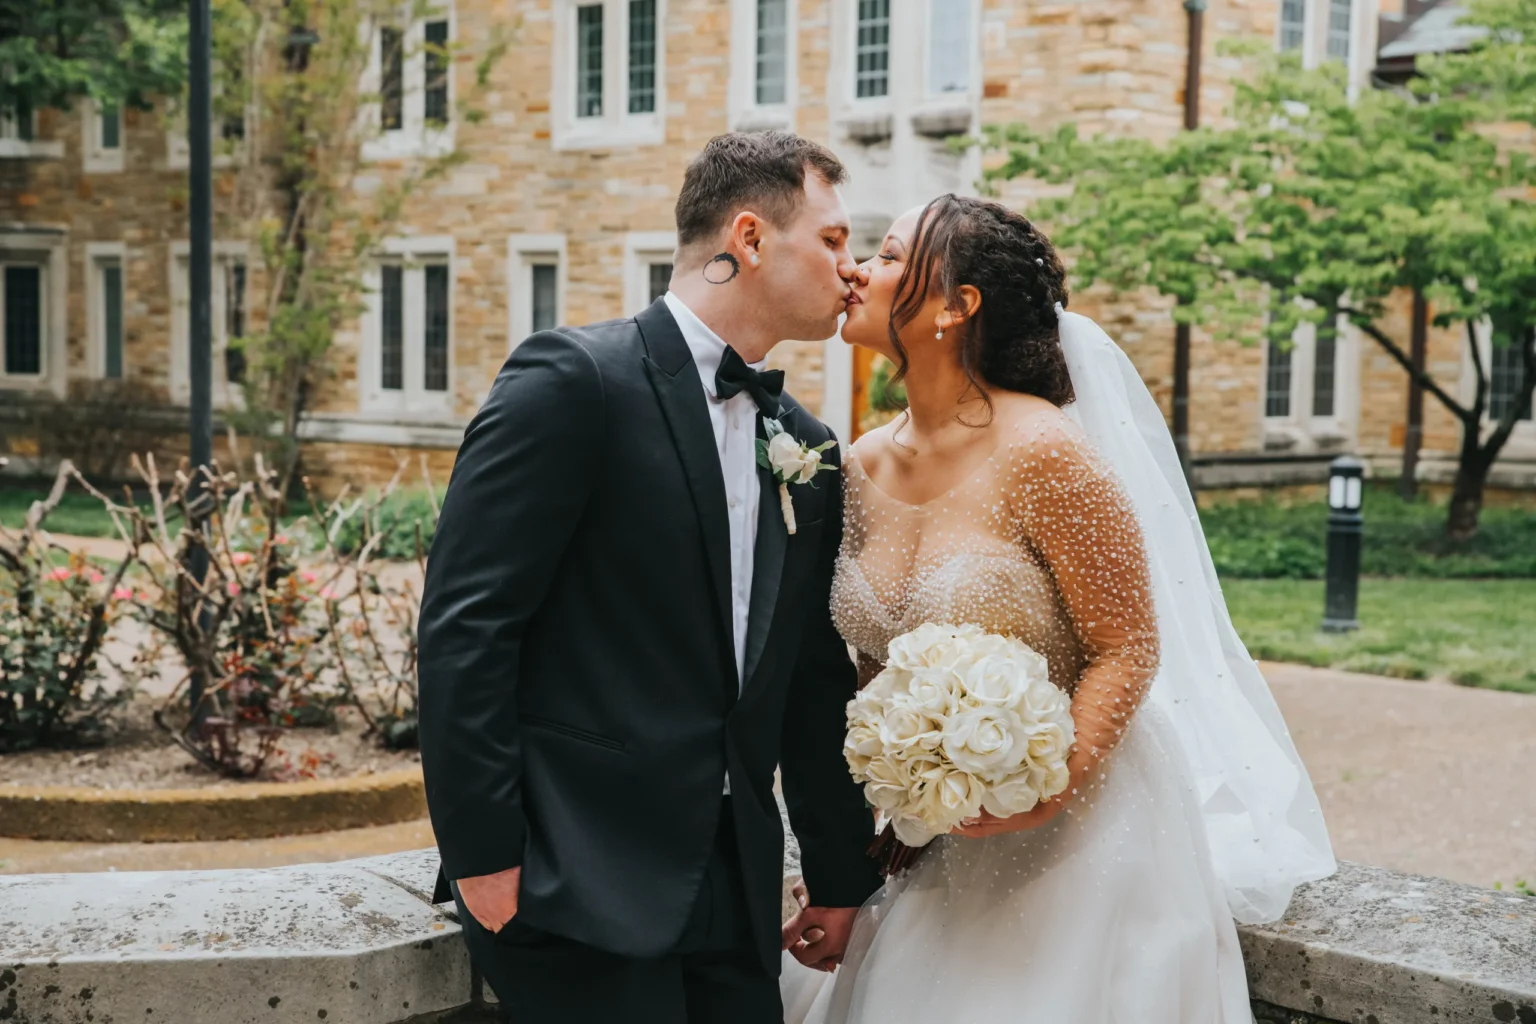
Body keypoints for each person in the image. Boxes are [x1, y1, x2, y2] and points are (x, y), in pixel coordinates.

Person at [779, 195, 1336, 1022]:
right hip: (932, 841)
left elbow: (1128, 646)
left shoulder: (1046, 454)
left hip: (1077, 839)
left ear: (954, 306)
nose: (859, 267)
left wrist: (1043, 788)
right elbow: (876, 661)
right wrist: (897, 795)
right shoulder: (857, 466)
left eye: (890, 255)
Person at [416, 131, 884, 1023]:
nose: (852, 269)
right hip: (573, 882)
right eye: (832, 240)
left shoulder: (810, 445)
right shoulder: (572, 381)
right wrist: (484, 862)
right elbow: (467, 629)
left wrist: (836, 875)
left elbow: (810, 680)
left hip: (735, 893)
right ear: (747, 238)